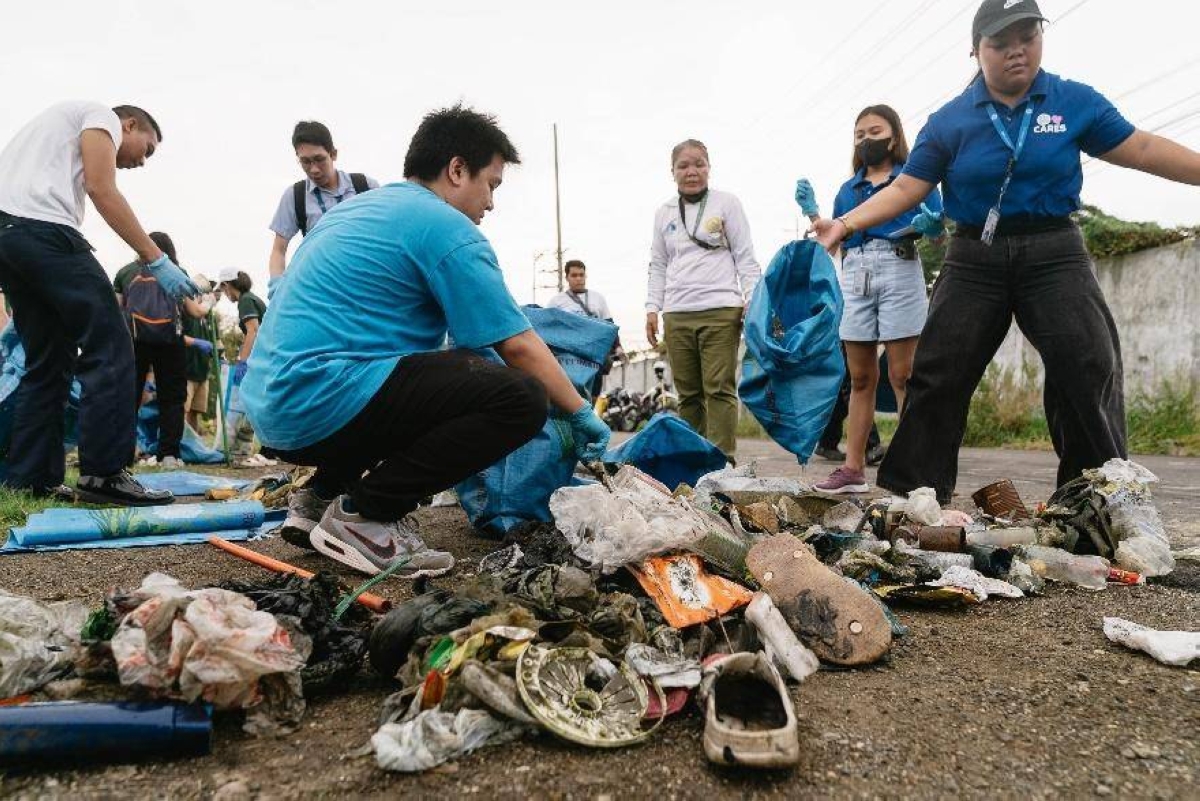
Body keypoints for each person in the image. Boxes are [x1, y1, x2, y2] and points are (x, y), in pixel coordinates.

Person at [815, 0, 1200, 503]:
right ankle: (914, 498)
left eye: (1028, 37)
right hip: (975, 256)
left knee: (1088, 362)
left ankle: (1094, 500)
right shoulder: (950, 121)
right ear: (976, 52)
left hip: (1055, 250)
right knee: (937, 370)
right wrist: (844, 223)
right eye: (1000, 42)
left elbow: (1142, 148)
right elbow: (908, 187)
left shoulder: (1072, 100)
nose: (1017, 51)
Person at [240, 104, 611, 578]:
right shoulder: (447, 228)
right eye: (491, 185)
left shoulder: (358, 209)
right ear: (457, 169)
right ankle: (364, 515)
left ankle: (319, 498)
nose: (491, 203)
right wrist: (580, 413)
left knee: (422, 380)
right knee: (520, 399)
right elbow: (515, 345)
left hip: (276, 407)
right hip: (323, 401)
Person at [0, 101, 199, 505]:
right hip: (45, 232)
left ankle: (31, 478)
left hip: (9, 236)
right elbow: (101, 188)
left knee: (48, 361)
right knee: (110, 344)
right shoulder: (100, 115)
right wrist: (155, 258)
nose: (142, 162)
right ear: (129, 124)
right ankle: (105, 473)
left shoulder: (47, 136)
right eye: (147, 149)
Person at [802, 105, 943, 493]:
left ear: (894, 136)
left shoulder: (915, 180)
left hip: (899, 267)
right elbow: (836, 239)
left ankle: (915, 470)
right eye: (859, 134)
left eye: (874, 131)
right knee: (861, 377)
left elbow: (938, 234)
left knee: (904, 375)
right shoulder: (847, 191)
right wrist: (815, 219)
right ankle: (852, 469)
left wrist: (933, 228)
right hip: (856, 274)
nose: (867, 139)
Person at [646, 139, 760, 461]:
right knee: (689, 395)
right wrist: (652, 307)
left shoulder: (727, 203)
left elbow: (745, 256)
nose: (691, 171)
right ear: (672, 172)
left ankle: (722, 462)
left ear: (709, 167)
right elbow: (658, 263)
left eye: (698, 164)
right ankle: (693, 460)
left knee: (719, 388)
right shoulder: (664, 212)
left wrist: (752, 300)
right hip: (678, 313)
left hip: (721, 309)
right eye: (683, 165)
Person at [114, 231, 213, 467]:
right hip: (170, 341)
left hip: (135, 342)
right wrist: (208, 302)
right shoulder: (175, 272)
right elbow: (195, 311)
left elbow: (114, 309)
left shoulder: (126, 272)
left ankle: (124, 453)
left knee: (129, 396)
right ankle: (168, 454)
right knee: (172, 398)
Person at [268, 121, 379, 279]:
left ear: (333, 154)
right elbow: (279, 250)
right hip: (323, 287)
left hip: (368, 281)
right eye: (305, 161)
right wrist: (276, 284)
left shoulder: (365, 186)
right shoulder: (295, 196)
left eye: (319, 159)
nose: (313, 169)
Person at [547, 259, 624, 397]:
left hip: (593, 355)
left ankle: (590, 414)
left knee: (593, 393)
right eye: (574, 275)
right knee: (571, 392)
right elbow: (549, 330)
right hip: (569, 356)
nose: (579, 279)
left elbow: (609, 325)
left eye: (582, 275)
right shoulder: (556, 302)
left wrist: (618, 347)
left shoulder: (598, 298)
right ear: (567, 277)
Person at [217, 269, 267, 460]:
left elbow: (253, 331)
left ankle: (267, 452)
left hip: (262, 357)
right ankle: (246, 447)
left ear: (228, 285)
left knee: (252, 402)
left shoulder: (245, 300)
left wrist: (243, 361)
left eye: (223, 289)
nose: (224, 294)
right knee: (252, 404)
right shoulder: (251, 298)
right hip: (265, 355)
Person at [182, 275, 219, 433]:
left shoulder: (210, 318)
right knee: (182, 410)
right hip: (186, 370)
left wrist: (218, 355)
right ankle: (179, 444)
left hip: (202, 371)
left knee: (195, 411)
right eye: (204, 292)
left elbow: (215, 342)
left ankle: (194, 444)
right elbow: (176, 337)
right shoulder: (185, 312)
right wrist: (196, 343)